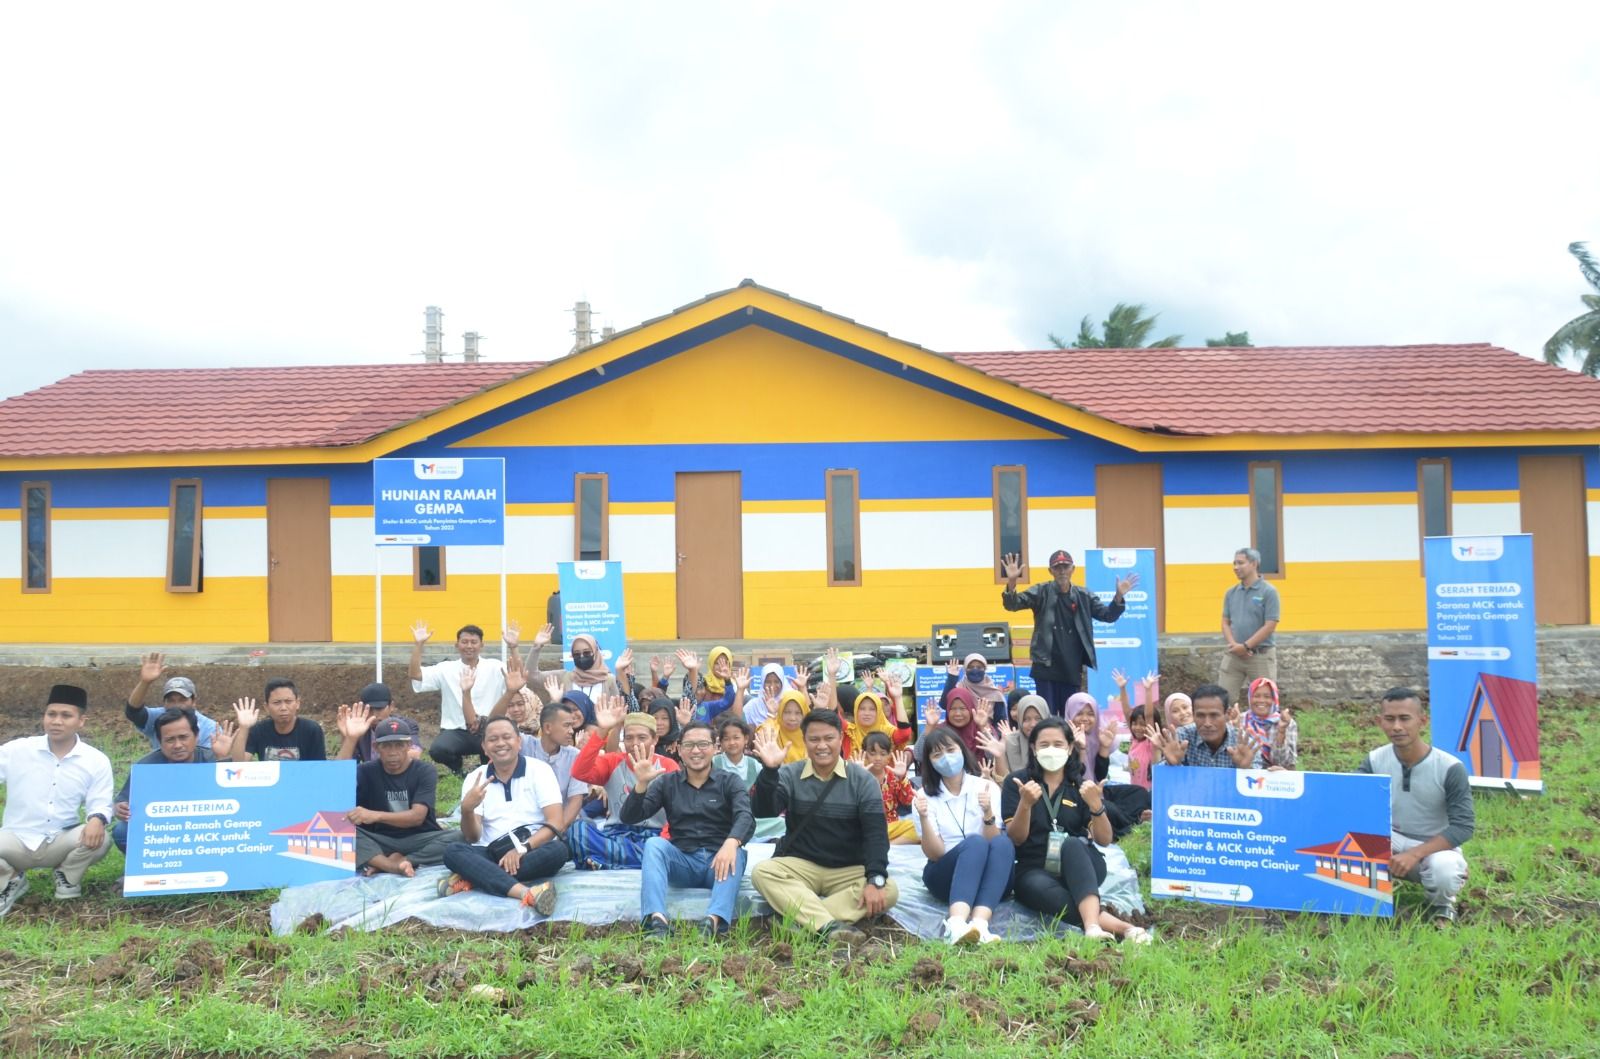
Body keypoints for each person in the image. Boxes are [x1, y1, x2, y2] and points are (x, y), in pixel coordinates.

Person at [750, 709, 899, 946]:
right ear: (804, 741)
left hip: (848, 868)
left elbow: (876, 835)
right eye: (814, 739)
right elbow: (763, 810)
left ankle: (799, 921)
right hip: (802, 864)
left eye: (829, 738)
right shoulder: (790, 773)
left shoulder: (862, 780)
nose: (822, 746)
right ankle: (828, 926)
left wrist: (875, 879)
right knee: (762, 872)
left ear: (841, 739)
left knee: (888, 889)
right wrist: (769, 771)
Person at [1001, 719, 1150, 943]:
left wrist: (1096, 806)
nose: (1051, 750)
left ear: (1070, 748)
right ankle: (1124, 928)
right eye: (1044, 745)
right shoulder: (1017, 782)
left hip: (1080, 863)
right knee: (1033, 888)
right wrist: (1025, 805)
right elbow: (1016, 838)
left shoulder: (1079, 786)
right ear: (1033, 748)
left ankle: (1092, 927)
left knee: (1071, 843)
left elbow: (1104, 839)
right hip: (1034, 867)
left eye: (1058, 744)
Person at [622, 721, 754, 938]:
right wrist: (641, 785)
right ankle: (657, 921)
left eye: (703, 744)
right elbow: (631, 816)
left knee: (736, 852)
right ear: (679, 749)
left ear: (715, 747)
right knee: (654, 844)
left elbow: (745, 816)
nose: (695, 751)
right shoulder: (667, 783)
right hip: (683, 861)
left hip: (719, 863)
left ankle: (712, 922)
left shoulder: (730, 781)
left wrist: (732, 842)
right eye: (689, 745)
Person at [1358, 689, 1474, 924]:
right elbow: (1347, 795)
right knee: (1344, 842)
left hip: (1434, 846)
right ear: (1380, 722)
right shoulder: (1375, 760)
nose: (1397, 727)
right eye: (1390, 719)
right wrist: (1291, 778)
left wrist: (1414, 854)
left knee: (1445, 871)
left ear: (1422, 721)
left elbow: (1463, 827)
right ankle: (1366, 900)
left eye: (1405, 718)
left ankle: (1441, 905)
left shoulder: (1449, 767)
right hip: (1390, 839)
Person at [0, 686, 114, 916]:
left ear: (81, 721)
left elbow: (101, 802)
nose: (57, 721)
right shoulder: (17, 750)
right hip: (15, 841)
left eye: (66, 715)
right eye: (51, 714)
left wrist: (97, 819)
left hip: (59, 841)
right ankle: (10, 879)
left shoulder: (95, 760)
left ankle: (67, 876)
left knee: (101, 839)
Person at [437, 718, 565, 912]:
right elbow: (473, 837)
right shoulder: (476, 778)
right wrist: (467, 810)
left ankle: (475, 877)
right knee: (453, 852)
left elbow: (556, 822)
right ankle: (526, 893)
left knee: (559, 850)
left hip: (530, 850)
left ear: (519, 742)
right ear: (484, 747)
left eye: (507, 737)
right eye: (493, 739)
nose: (500, 743)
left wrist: (522, 849)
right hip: (490, 852)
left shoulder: (540, 770)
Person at [1001, 549, 1137, 717]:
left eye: (1066, 567)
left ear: (1073, 569)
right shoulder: (1041, 591)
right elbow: (1012, 604)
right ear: (1050, 571)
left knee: (1072, 717)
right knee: (1046, 717)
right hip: (1045, 668)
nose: (1062, 571)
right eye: (1057, 567)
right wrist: (1012, 581)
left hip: (1071, 669)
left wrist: (1118, 597)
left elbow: (1108, 615)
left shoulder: (1084, 595)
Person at [913, 727, 1012, 945]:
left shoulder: (986, 787)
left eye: (950, 749)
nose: (946, 758)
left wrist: (987, 814)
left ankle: (979, 924)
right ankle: (956, 924)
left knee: (1003, 843)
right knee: (974, 843)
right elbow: (935, 853)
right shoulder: (923, 797)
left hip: (986, 877)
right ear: (929, 761)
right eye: (937, 754)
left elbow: (994, 842)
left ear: (962, 750)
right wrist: (923, 818)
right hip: (945, 876)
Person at [568, 698, 681, 870]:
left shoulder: (668, 766)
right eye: (629, 738)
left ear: (655, 739)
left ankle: (606, 860)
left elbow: (676, 814)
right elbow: (579, 772)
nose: (634, 743)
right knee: (577, 830)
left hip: (654, 835)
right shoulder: (612, 761)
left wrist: (664, 841)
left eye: (642, 737)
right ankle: (634, 859)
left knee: (666, 846)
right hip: (616, 833)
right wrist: (602, 731)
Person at [349, 719, 460, 877]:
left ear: (409, 745)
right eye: (386, 746)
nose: (393, 752)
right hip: (381, 839)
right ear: (376, 747)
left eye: (399, 745)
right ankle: (392, 866)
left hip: (419, 838)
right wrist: (350, 740)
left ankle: (397, 861)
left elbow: (417, 817)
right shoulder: (366, 771)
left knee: (459, 838)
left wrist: (375, 815)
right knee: (344, 831)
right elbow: (338, 781)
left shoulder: (424, 771)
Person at [113, 708, 234, 852]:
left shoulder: (212, 759)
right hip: (163, 829)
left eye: (183, 737)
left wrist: (223, 759)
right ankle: (145, 868)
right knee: (122, 832)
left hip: (205, 826)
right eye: (170, 740)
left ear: (196, 736)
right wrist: (119, 808)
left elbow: (233, 800)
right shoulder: (146, 767)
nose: (177, 745)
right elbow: (122, 802)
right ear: (159, 741)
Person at [409, 620, 512, 775]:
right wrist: (418, 645)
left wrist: (514, 647)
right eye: (464, 642)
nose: (469, 646)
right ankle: (458, 769)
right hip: (455, 730)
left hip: (488, 728)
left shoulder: (495, 667)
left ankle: (487, 769)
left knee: (498, 747)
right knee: (438, 750)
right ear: (457, 645)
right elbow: (415, 675)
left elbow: (517, 678)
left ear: (481, 645)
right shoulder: (446, 669)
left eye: (473, 642)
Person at [1220, 546, 1281, 707]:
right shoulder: (1231, 593)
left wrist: (1246, 646)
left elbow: (1270, 625)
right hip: (1234, 655)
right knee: (1223, 701)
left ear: (1254, 564)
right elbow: (1225, 622)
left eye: (1240, 563)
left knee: (1265, 702)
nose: (1235, 567)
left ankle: (1264, 732)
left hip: (1260, 656)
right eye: (1234, 563)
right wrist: (1235, 645)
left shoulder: (1269, 592)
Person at [1148, 684, 1258, 769]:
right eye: (1200, 715)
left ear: (1227, 714)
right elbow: (1160, 781)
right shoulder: (1181, 737)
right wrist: (1172, 765)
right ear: (1193, 714)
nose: (1207, 723)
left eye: (1214, 715)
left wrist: (1246, 769)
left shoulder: (1244, 743)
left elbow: (1263, 783)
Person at [124, 651, 219, 750]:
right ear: (164, 703)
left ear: (194, 701)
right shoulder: (156, 718)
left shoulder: (210, 728)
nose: (176, 705)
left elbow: (212, 760)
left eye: (182, 700)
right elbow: (133, 712)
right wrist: (145, 682)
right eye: (171, 701)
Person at [521, 703, 592, 832]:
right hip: (525, 823)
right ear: (548, 728)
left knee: (585, 828)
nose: (571, 730)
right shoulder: (525, 745)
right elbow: (494, 729)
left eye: (572, 725)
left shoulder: (575, 756)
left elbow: (575, 801)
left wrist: (553, 832)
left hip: (561, 825)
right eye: (566, 725)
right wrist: (509, 693)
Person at [714, 717, 786, 842]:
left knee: (780, 823)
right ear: (721, 742)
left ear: (746, 739)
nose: (732, 742)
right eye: (727, 739)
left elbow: (768, 787)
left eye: (736, 738)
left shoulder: (754, 764)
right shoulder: (714, 762)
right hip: (722, 817)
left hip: (750, 817)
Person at [231, 680, 327, 761]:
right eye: (277, 703)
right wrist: (243, 728)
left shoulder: (311, 730)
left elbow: (319, 767)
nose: (283, 708)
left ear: (297, 703)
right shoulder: (259, 730)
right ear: (266, 707)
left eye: (288, 701)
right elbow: (239, 764)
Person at [332, 683, 423, 763]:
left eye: (379, 709)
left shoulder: (405, 725)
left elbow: (415, 755)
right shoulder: (359, 729)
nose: (374, 714)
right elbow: (341, 769)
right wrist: (349, 738)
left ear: (391, 706)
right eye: (370, 709)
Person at [853, 733, 917, 844]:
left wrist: (902, 777)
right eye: (872, 754)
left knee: (917, 827)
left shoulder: (893, 776)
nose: (878, 758)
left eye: (883, 754)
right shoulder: (859, 776)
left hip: (891, 826)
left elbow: (909, 801)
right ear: (865, 754)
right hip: (865, 826)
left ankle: (888, 845)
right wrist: (857, 777)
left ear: (889, 756)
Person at [676, 647, 749, 724]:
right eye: (717, 663)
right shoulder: (684, 706)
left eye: (701, 688)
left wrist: (727, 681)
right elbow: (690, 693)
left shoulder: (707, 706)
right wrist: (693, 670)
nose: (699, 692)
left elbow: (727, 701)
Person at [1241, 677, 1297, 769]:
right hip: (1246, 774)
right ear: (1249, 698)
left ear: (1274, 699)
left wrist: (1281, 732)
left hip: (1277, 777)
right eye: (1256, 696)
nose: (1261, 700)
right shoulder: (1241, 719)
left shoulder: (1288, 723)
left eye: (1267, 697)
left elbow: (1285, 763)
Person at [756, 690, 809, 765]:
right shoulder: (774, 728)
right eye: (787, 712)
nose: (792, 718)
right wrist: (771, 714)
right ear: (780, 712)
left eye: (798, 713)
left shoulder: (809, 731)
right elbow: (762, 739)